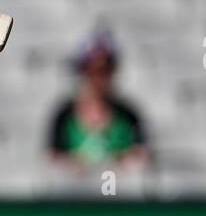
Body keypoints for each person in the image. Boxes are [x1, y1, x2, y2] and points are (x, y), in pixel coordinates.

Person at [47, 30, 149, 168]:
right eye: (91, 69)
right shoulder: (64, 116)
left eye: (104, 69)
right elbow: (51, 160)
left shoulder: (128, 116)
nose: (98, 78)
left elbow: (141, 157)